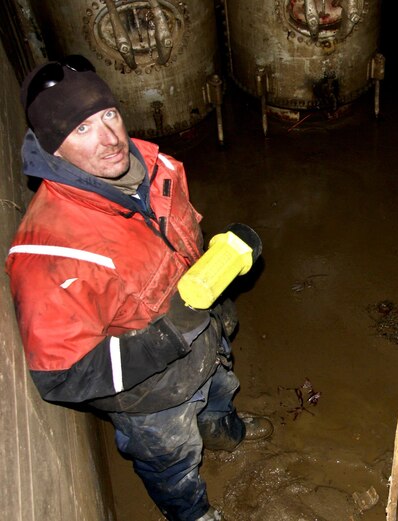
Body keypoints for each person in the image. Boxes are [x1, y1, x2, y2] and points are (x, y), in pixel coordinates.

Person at [5, 55, 272, 521]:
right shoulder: (51, 253)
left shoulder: (157, 164)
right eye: (82, 129)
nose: (110, 140)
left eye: (108, 115)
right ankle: (192, 513)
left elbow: (180, 243)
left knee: (219, 388)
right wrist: (171, 331)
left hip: (206, 342)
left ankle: (220, 426)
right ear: (53, 146)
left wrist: (221, 271)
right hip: (151, 396)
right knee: (174, 461)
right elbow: (64, 377)